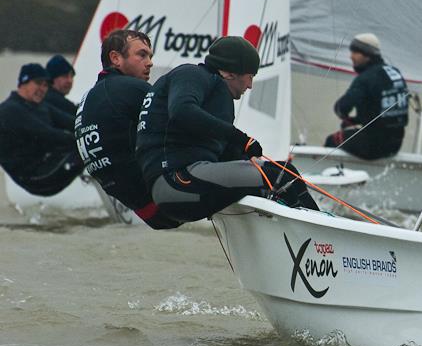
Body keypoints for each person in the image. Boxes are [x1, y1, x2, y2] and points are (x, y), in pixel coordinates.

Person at [136, 36, 318, 223]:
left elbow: (221, 152)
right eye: (250, 76)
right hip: (174, 181)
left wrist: (243, 154)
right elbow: (182, 112)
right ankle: (318, 235)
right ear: (230, 73)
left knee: (285, 170)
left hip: (189, 178)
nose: (250, 85)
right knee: (278, 176)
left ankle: (314, 228)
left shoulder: (217, 96)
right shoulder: (191, 74)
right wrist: (241, 139)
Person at [75, 29, 181, 229]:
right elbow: (185, 121)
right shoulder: (129, 88)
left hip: (143, 209)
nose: (149, 62)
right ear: (115, 58)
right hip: (166, 200)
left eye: (150, 56)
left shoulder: (87, 98)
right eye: (142, 55)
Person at [0, 63, 82, 196]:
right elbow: (48, 134)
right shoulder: (10, 110)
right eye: (38, 83)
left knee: (90, 140)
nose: (42, 88)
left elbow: (74, 123)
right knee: (86, 147)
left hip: (51, 164)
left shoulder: (41, 106)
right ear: (23, 82)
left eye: (45, 85)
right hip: (36, 178)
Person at [323, 33, 408, 160]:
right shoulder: (394, 72)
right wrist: (356, 120)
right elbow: (383, 113)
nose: (351, 56)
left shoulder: (365, 78)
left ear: (368, 55)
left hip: (373, 147)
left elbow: (342, 108)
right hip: (395, 145)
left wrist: (346, 118)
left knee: (331, 140)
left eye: (356, 52)